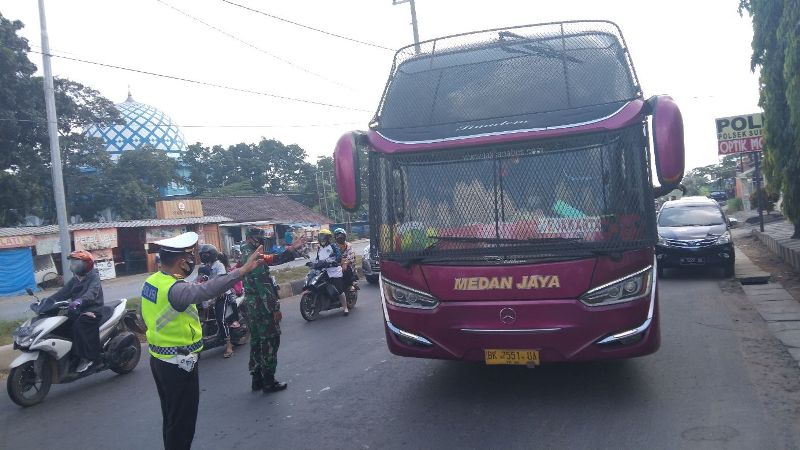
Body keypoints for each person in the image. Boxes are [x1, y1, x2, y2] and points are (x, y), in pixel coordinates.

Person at [141, 231, 266, 450]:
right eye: (189, 258)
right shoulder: (176, 289)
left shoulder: (152, 282)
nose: (192, 262)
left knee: (171, 417)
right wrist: (243, 270)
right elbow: (206, 290)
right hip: (178, 364)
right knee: (182, 423)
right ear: (180, 262)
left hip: (159, 359)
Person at [240, 227, 301, 393]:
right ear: (252, 238)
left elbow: (272, 259)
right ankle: (269, 380)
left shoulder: (246, 252)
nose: (261, 241)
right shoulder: (254, 257)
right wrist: (274, 308)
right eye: (259, 238)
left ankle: (257, 378)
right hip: (263, 307)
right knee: (270, 341)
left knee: (257, 341)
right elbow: (264, 286)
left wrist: (291, 249)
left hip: (252, 307)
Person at [48, 250, 104, 373]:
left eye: (76, 263)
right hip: (77, 310)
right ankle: (71, 355)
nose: (73, 266)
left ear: (87, 265)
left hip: (93, 310)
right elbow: (61, 294)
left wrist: (80, 301)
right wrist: (46, 302)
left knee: (79, 327)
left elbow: (92, 293)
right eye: (72, 263)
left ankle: (89, 358)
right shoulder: (75, 280)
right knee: (60, 326)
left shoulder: (94, 277)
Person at [199, 244, 235, 359]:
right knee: (202, 318)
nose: (204, 256)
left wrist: (214, 296)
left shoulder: (219, 265)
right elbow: (198, 279)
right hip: (210, 296)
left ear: (212, 254)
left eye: (206, 254)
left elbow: (221, 282)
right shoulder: (204, 267)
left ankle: (229, 345)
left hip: (222, 295)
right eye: (202, 254)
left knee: (221, 319)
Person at [314, 229, 349, 315]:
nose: (322, 239)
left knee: (339, 290)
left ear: (328, 238)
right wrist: (313, 263)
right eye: (320, 236)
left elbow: (339, 256)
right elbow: (317, 259)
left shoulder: (333, 246)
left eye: (324, 237)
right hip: (324, 271)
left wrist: (335, 261)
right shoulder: (319, 249)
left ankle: (345, 308)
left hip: (334, 271)